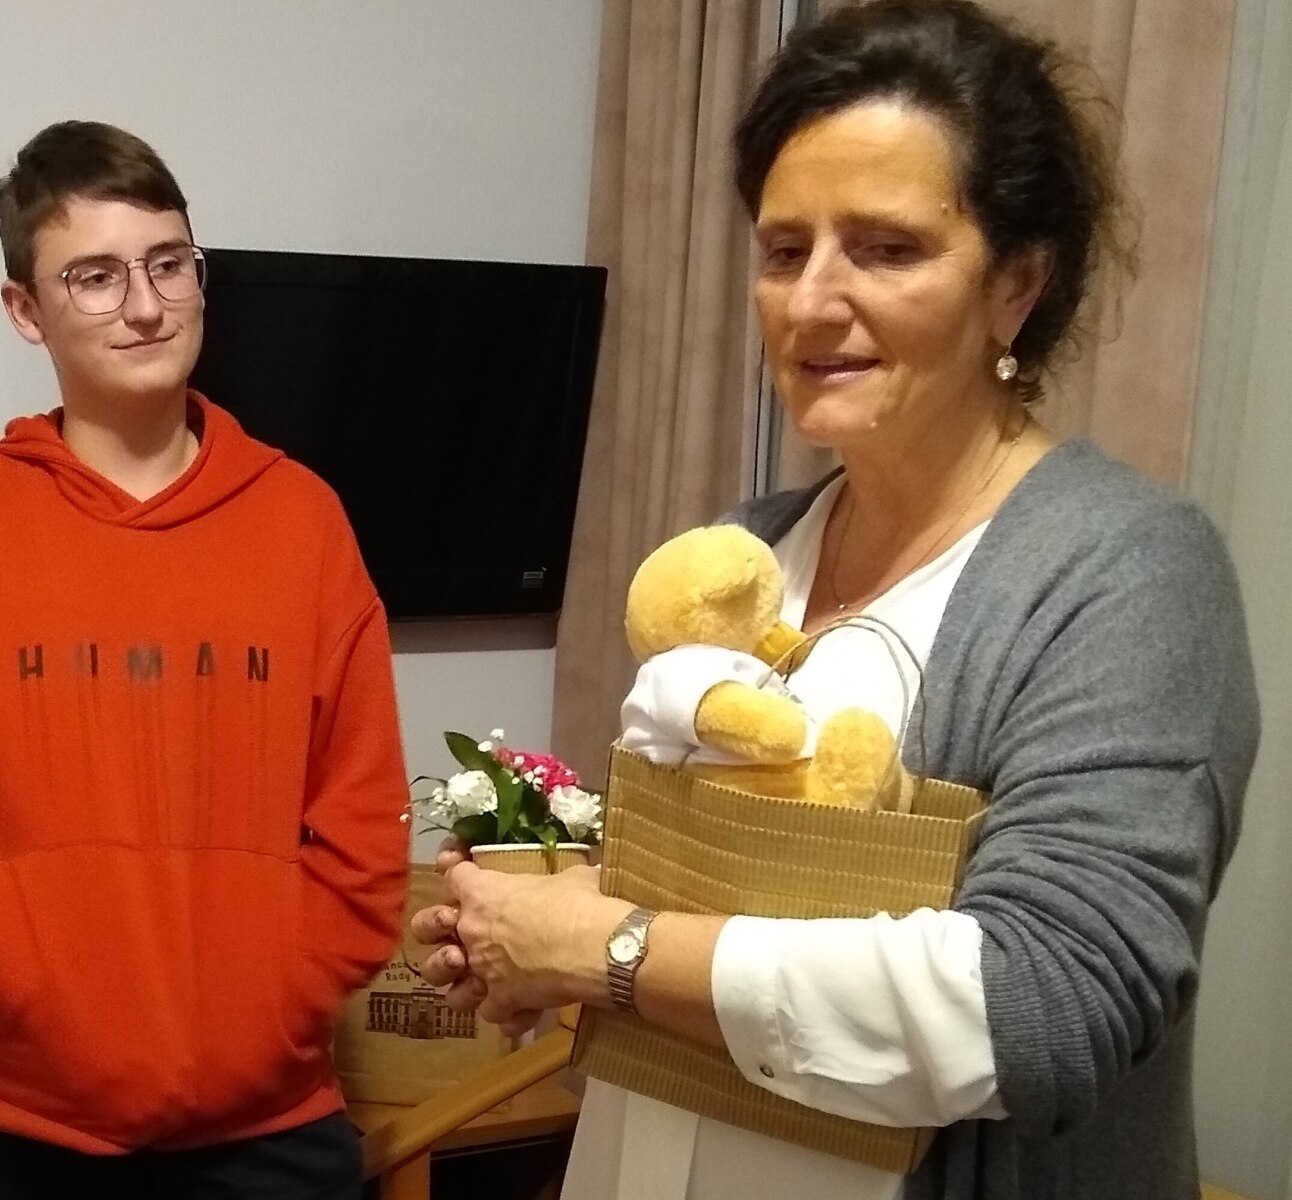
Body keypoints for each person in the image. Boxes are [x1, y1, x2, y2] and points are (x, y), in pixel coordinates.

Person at [412, 3, 1260, 1198]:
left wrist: (607, 948)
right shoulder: (750, 547)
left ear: (1016, 284)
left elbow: (1045, 1003)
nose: (811, 301)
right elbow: (709, 900)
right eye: (782, 249)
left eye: (885, 248)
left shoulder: (1124, 575)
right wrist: (533, 931)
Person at [0, 121, 408, 1198]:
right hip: (23, 1127)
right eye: (95, 276)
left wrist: (275, 1005)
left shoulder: (302, 519)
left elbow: (363, 816)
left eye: (169, 263)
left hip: (271, 1133)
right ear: (26, 311)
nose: (145, 306)